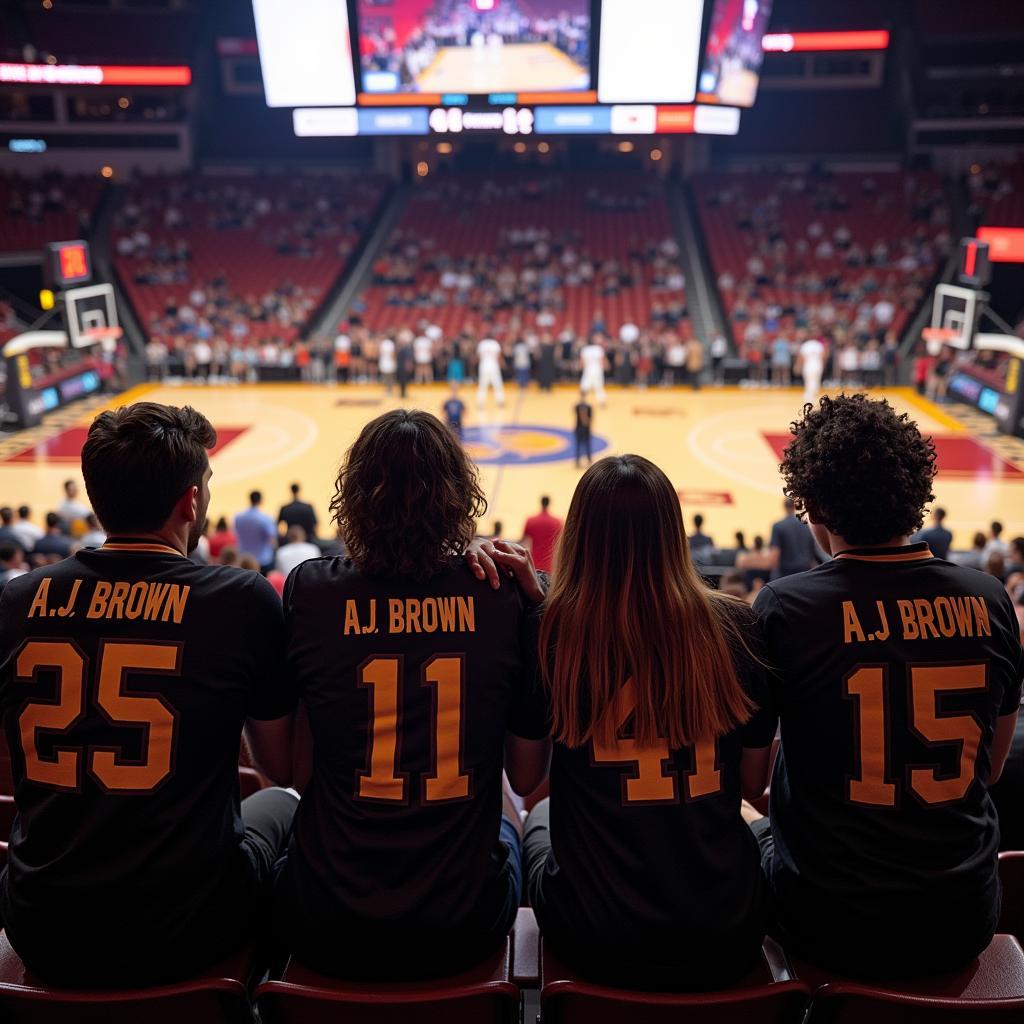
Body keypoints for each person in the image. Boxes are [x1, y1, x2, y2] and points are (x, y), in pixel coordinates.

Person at [0, 402, 298, 987]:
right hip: (189, 924)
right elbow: (279, 762)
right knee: (284, 801)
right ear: (190, 502)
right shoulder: (240, 600)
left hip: (41, 922)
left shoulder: (16, 601)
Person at [750, 394, 1023, 977]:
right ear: (914, 496)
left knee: (745, 843)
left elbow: (752, 783)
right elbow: (991, 769)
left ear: (813, 504)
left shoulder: (784, 608)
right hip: (962, 914)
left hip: (827, 920)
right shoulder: (991, 599)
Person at [273, 410, 549, 978]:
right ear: (457, 497)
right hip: (463, 921)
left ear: (354, 497)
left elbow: (295, 775)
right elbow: (524, 778)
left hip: (328, 915)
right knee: (516, 821)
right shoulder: (499, 597)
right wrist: (538, 602)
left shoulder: (311, 591)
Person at [524, 455, 775, 989]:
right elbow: (755, 784)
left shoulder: (550, 631)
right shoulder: (738, 626)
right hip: (726, 932)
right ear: (672, 532)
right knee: (756, 829)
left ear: (581, 535)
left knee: (538, 819)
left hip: (591, 934)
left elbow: (524, 779)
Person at [768, 498, 818, 579]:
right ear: (794, 507)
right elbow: (812, 554)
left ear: (784, 507)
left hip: (785, 576)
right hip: (804, 574)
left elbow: (774, 557)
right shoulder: (806, 526)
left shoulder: (778, 526)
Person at [235, 491, 277, 574]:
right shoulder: (265, 519)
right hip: (263, 561)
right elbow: (272, 540)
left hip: (244, 560)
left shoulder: (238, 518)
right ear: (260, 500)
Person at [521, 496, 563, 574]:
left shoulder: (531, 521)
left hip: (533, 564)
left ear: (541, 503)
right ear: (549, 503)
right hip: (550, 566)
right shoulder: (557, 522)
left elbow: (524, 541)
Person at [477, 334, 505, 408]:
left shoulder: (482, 344)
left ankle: (480, 404)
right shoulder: (495, 344)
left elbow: (479, 356)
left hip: (484, 366)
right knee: (497, 385)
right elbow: (498, 356)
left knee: (482, 386)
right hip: (494, 366)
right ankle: (500, 402)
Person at [797, 335, 825, 404]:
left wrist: (798, 366)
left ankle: (809, 397)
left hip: (808, 365)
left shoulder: (805, 345)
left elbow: (801, 357)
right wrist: (822, 365)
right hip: (817, 364)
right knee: (816, 381)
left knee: (808, 381)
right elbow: (823, 355)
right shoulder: (819, 345)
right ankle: (814, 396)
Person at [579, 339, 607, 406]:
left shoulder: (585, 350)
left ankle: (582, 401)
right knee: (599, 387)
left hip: (588, 370)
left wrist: (581, 368)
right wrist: (605, 367)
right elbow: (602, 360)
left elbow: (582, 362)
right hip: (597, 370)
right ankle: (602, 402)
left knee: (584, 386)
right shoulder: (599, 349)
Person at [574, 391, 593, 468]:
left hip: (580, 429)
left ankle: (579, 461)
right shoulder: (588, 407)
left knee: (581, 445)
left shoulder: (577, 406)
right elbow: (590, 419)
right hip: (584, 429)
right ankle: (587, 460)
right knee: (586, 445)